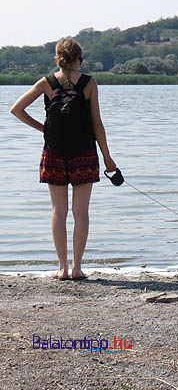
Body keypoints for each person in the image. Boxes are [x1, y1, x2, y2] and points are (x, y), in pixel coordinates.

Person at [10, 38, 117, 280]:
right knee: (81, 212)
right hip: (84, 154)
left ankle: (62, 268)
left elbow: (16, 109)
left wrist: (43, 129)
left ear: (58, 58)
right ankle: (78, 267)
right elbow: (97, 124)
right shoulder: (89, 83)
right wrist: (108, 159)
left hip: (54, 153)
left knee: (59, 211)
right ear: (79, 59)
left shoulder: (47, 83)